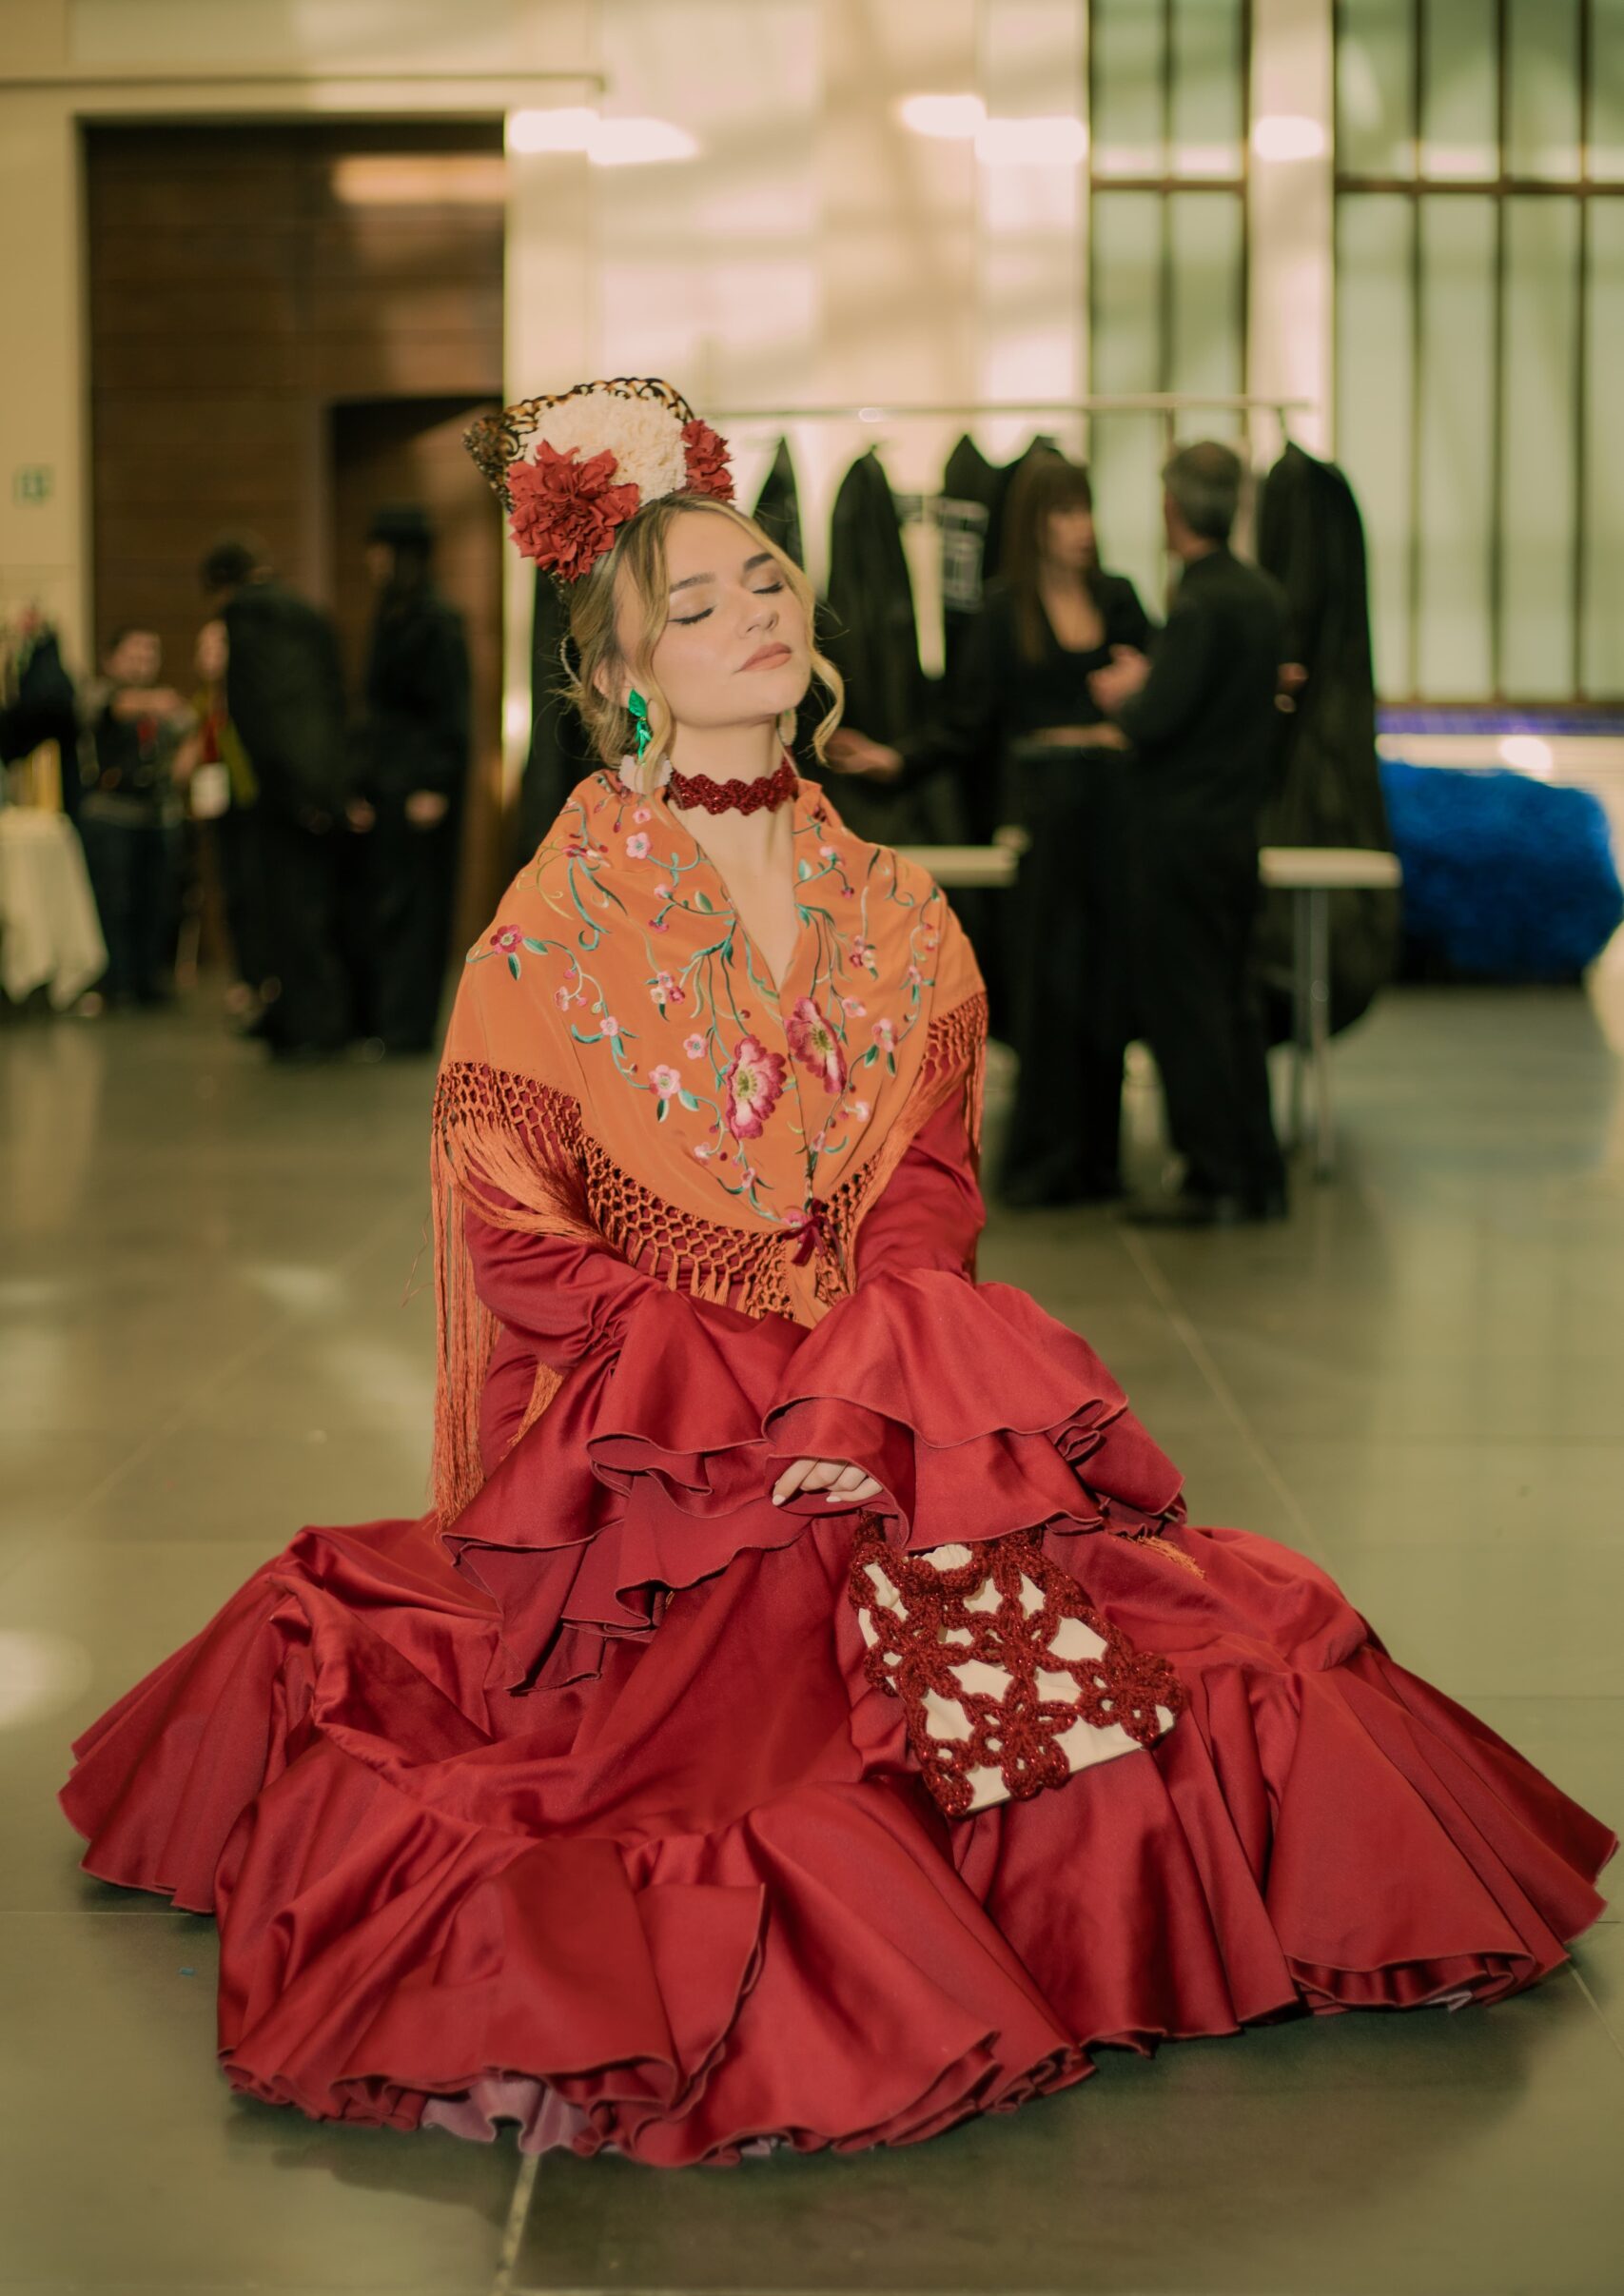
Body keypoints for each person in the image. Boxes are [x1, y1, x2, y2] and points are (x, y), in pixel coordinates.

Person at [61, 378, 1612, 2168]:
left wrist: (870, 1388)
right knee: (711, 1758)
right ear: (615, 670)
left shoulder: (896, 904)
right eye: (699, 602)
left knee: (1171, 1666)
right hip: (667, 1460)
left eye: (771, 582)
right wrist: (728, 1397)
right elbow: (515, 1225)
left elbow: (927, 1190)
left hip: (885, 1406)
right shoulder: (554, 921)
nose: (761, 614)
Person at [832, 452, 1149, 1205]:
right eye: (1063, 512)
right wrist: (895, 762)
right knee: (1049, 988)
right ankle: (1046, 1163)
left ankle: (1100, 1163)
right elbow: (967, 723)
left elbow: (1163, 690)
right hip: (1043, 822)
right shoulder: (1006, 611)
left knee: (1107, 991)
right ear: (1033, 525)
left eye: (1084, 509)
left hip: (1115, 819)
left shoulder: (1122, 599)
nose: (1081, 528)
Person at [1090, 442, 1289, 1224]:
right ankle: (1254, 1170)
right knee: (1233, 1001)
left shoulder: (1201, 601)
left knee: (1188, 1007)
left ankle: (1209, 1174)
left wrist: (1124, 694)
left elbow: (1154, 718)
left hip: (1178, 836)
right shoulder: (1263, 596)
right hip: (1235, 830)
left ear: (1172, 509)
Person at [201, 533, 349, 1063]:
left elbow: (263, 713)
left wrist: (288, 787)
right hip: (319, 780)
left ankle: (307, 1025)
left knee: (284, 911)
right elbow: (327, 702)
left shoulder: (246, 617)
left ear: (221, 587)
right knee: (314, 906)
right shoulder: (305, 612)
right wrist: (328, 787)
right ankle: (316, 1019)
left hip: (279, 789)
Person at [345, 504, 472, 1055]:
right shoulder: (391, 614)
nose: (371, 561)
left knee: (418, 908)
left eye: (380, 550)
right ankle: (387, 1020)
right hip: (389, 781)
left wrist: (436, 785)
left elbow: (451, 712)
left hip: (420, 786)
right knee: (389, 905)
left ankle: (407, 1028)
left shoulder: (436, 621)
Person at [76, 626, 194, 1008]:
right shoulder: (101, 693)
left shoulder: (165, 709)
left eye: (150, 655)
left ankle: (148, 981)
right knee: (115, 903)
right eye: (134, 655)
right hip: (111, 814)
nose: (143, 663)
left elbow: (193, 729)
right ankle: (118, 981)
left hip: (156, 815)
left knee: (156, 902)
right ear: (112, 659)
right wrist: (156, 702)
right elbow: (108, 708)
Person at [171, 618, 270, 1030]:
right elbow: (185, 763)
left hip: (254, 806)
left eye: (219, 647)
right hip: (220, 808)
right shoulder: (200, 705)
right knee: (233, 893)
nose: (212, 656)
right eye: (205, 649)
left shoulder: (252, 699)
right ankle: (245, 977)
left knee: (258, 888)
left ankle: (266, 976)